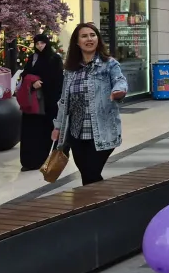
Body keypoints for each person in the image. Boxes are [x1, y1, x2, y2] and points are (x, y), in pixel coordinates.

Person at [51, 23, 127, 185]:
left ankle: (101, 207)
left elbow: (120, 80)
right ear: (77, 42)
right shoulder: (71, 70)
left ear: (98, 40)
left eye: (93, 35)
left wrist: (119, 91)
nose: (89, 39)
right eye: (84, 36)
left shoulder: (109, 64)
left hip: (101, 131)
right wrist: (58, 127)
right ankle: (96, 206)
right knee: (87, 177)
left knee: (91, 173)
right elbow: (64, 101)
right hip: (76, 134)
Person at [19, 34, 64, 172]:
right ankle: (30, 161)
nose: (40, 46)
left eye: (42, 43)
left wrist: (43, 85)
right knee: (30, 132)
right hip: (33, 102)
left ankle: (47, 160)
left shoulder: (54, 58)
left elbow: (57, 80)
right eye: (37, 44)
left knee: (47, 132)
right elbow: (25, 74)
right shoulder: (33, 58)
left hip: (47, 104)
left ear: (47, 43)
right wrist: (32, 83)